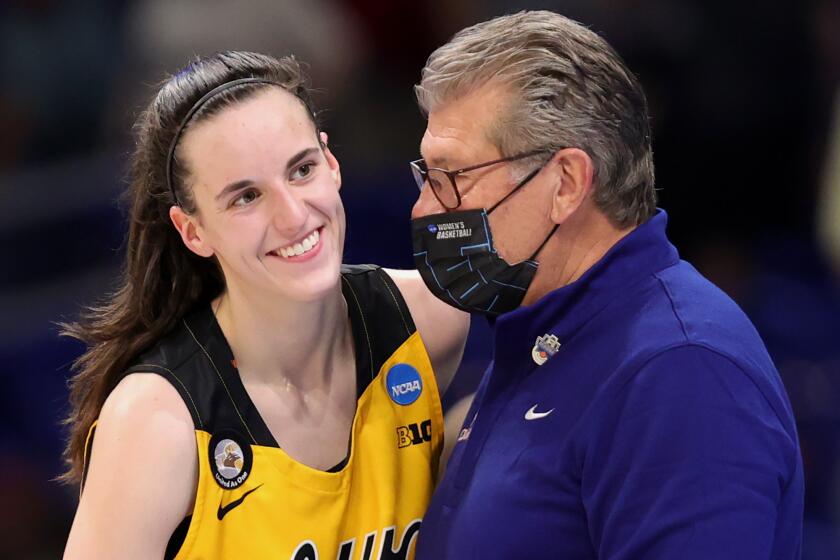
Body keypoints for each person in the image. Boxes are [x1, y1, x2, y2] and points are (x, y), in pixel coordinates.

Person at [408, 11, 804, 559]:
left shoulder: (679, 370)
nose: (426, 207)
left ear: (566, 184)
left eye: (452, 177)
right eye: (425, 176)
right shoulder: (547, 329)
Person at [61, 51, 469, 560]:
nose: (293, 216)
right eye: (246, 197)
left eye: (301, 170)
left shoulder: (431, 319)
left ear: (332, 163)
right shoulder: (155, 422)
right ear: (193, 230)